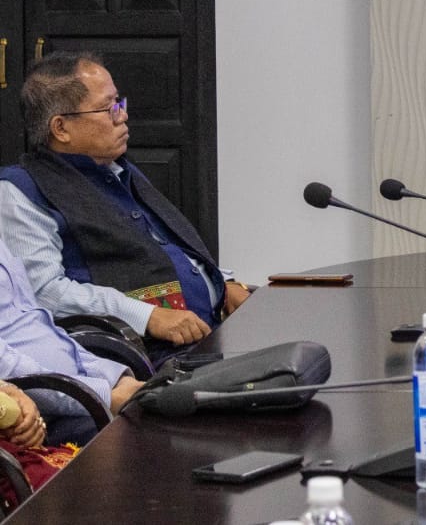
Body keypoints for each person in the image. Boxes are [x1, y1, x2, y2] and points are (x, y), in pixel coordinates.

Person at [0, 52, 251, 362]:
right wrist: (146, 316)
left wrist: (222, 284)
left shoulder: (116, 170)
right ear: (61, 128)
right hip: (143, 359)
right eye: (109, 108)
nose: (122, 116)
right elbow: (43, 292)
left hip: (209, 333)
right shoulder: (22, 190)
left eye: (119, 102)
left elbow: (165, 246)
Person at [0, 234, 145, 446]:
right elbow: (6, 366)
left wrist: (113, 378)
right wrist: (102, 397)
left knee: (177, 409)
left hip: (75, 392)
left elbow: (39, 326)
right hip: (44, 413)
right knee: (150, 436)